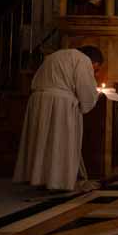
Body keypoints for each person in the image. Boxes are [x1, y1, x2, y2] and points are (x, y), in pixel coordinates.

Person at [13, 46, 103, 191]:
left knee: (42, 141)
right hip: (60, 104)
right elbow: (85, 90)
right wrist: (96, 95)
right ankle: (57, 182)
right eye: (95, 68)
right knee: (58, 142)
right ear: (93, 60)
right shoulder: (82, 59)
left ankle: (39, 177)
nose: (94, 73)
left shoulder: (55, 55)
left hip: (38, 101)